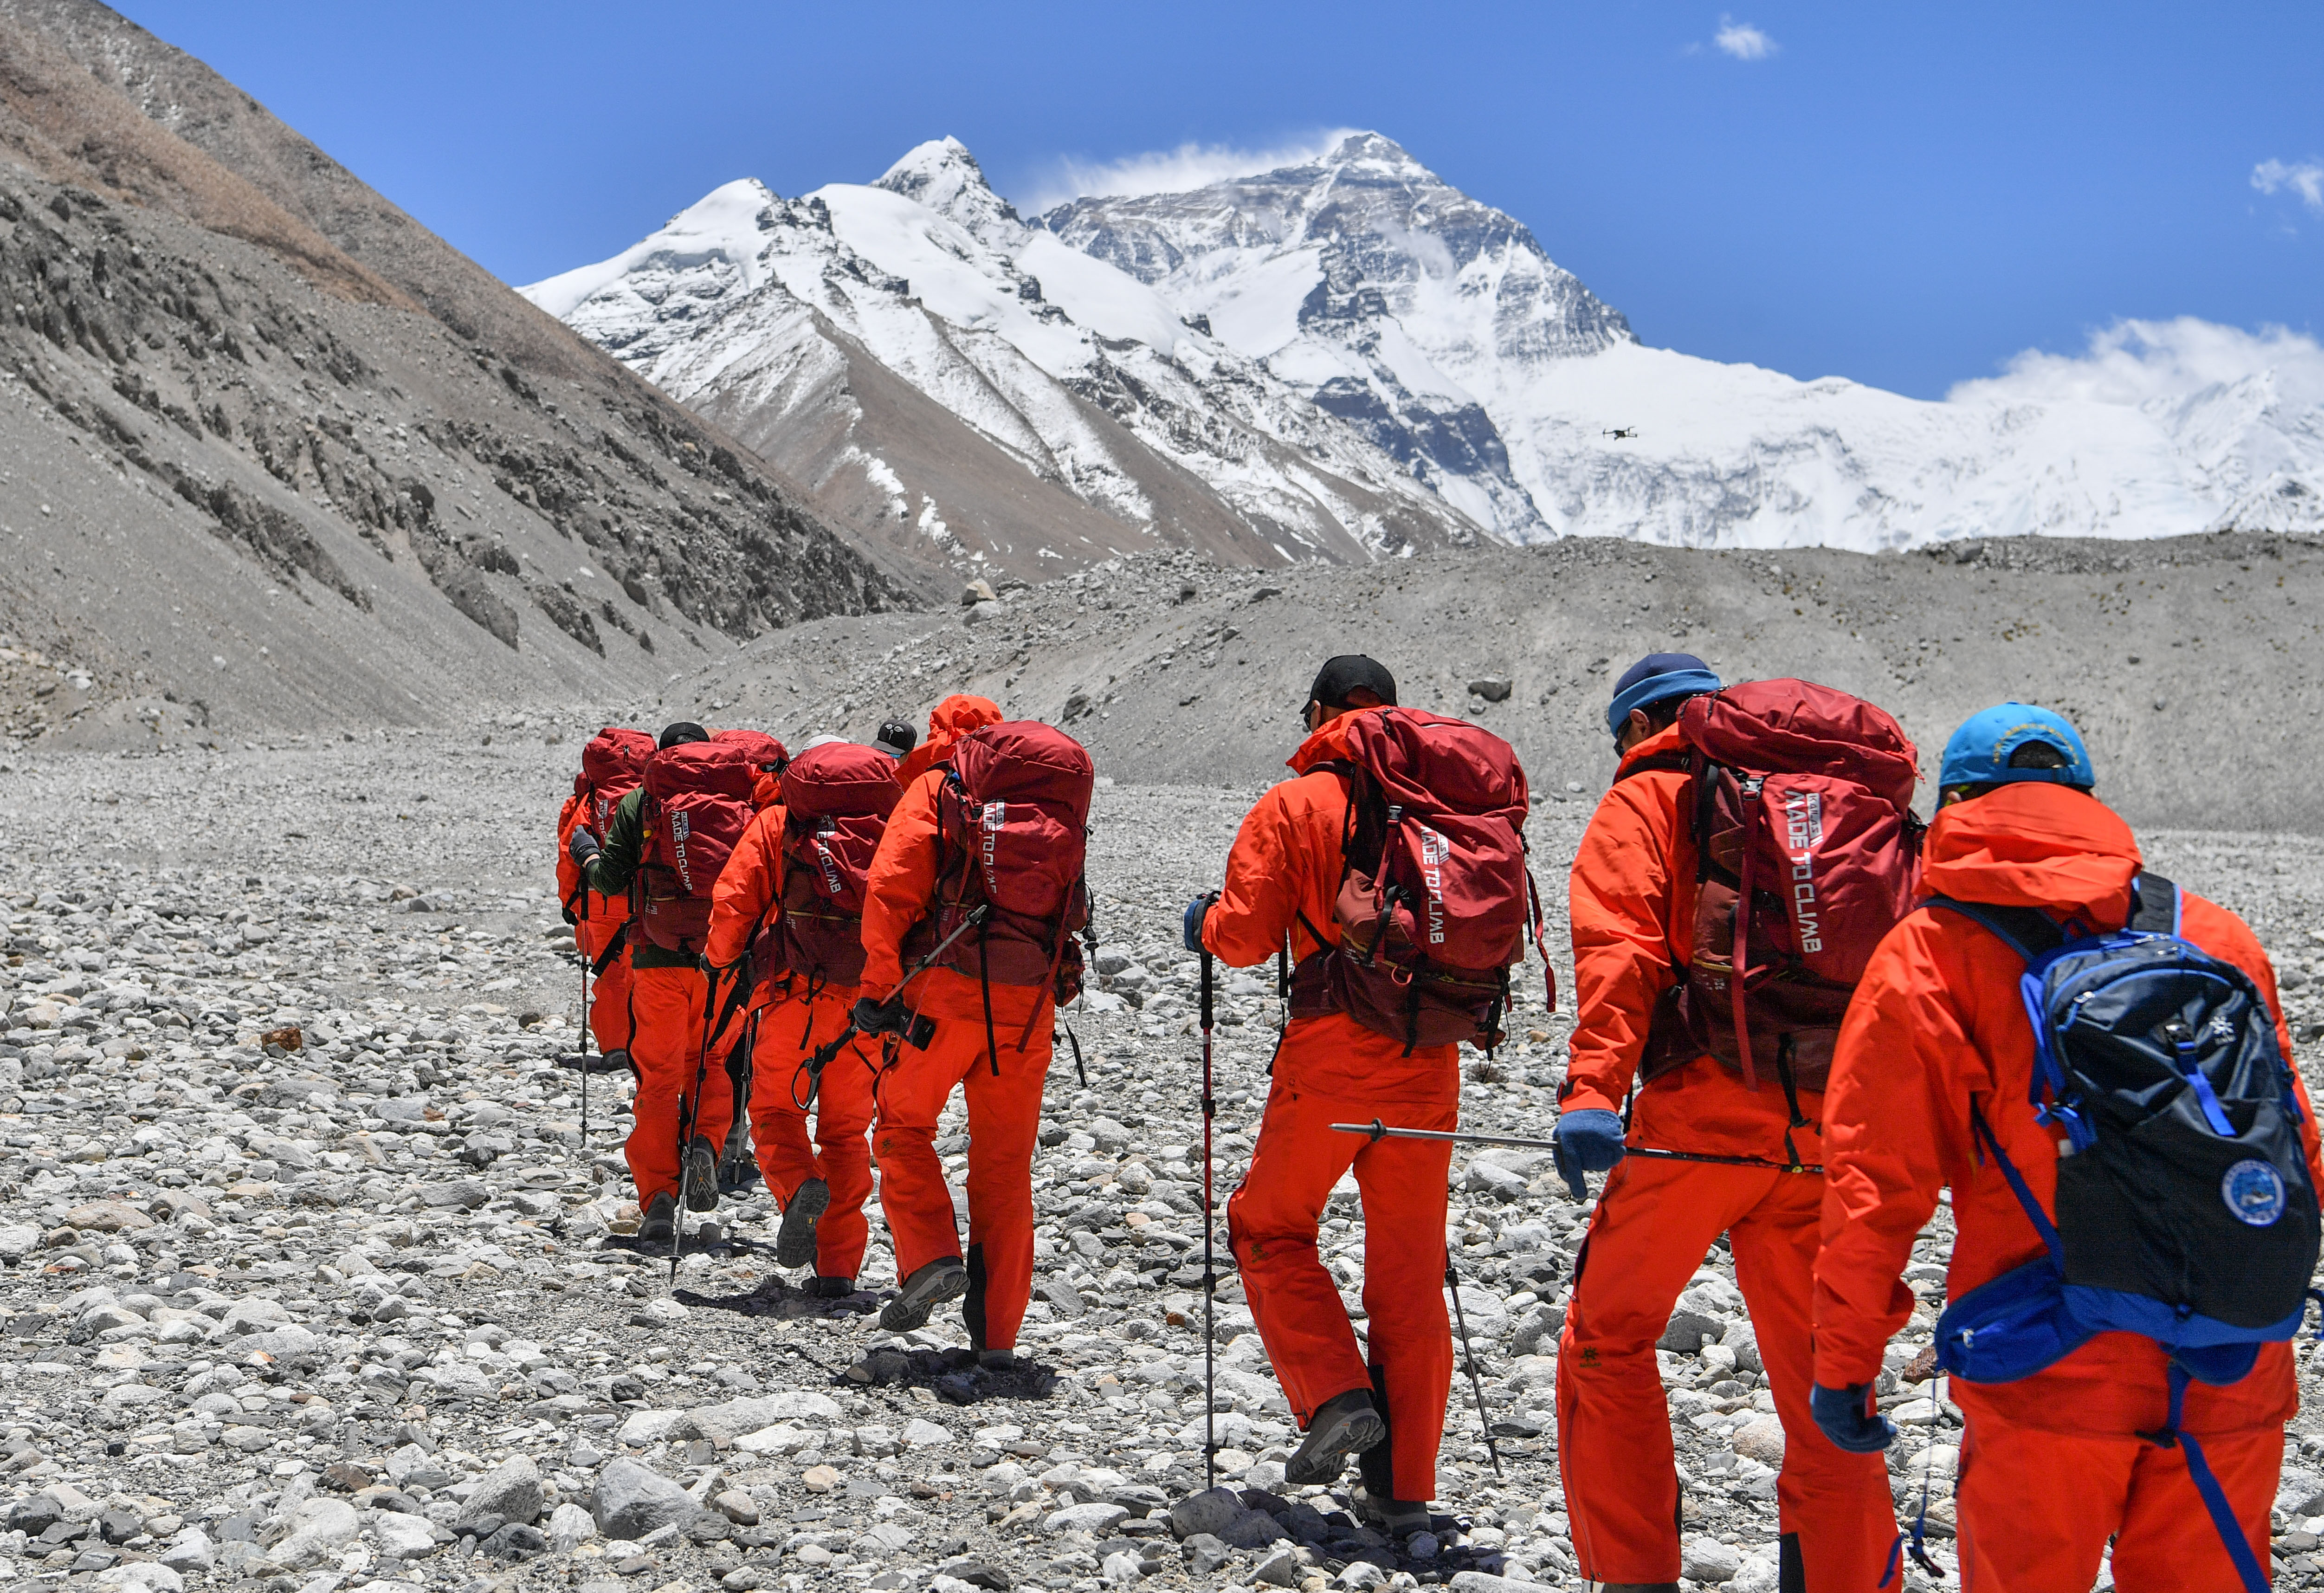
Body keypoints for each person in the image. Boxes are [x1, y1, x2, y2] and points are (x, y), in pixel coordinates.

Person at [1813, 705, 2324, 1592]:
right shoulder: (2213, 933)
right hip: (2230, 1356)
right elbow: (2296, 1152)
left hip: (2046, 1358)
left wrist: (1844, 1366)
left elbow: (1873, 1189)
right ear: (2087, 802)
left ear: (1955, 807)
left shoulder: (1927, 955)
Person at [1551, 653, 1896, 1593]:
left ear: (1634, 724)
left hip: (1696, 1119)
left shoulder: (1652, 794)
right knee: (1827, 1381)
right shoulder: (1836, 804)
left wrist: (1591, 1090)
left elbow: (1618, 950)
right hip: (1834, 1126)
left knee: (1606, 1337)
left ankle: (1633, 1577)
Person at [1188, 655, 1456, 1538]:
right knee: (1410, 1271)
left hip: (1334, 1044)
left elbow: (1242, 938)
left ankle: (1335, 1393)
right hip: (1428, 1054)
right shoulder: (1441, 804)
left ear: (1316, 713)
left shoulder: (1295, 803)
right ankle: (1404, 1487)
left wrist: (1202, 921)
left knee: (1268, 1224)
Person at [857, 708, 1087, 1361]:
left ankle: (930, 1256)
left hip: (944, 995)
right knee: (1006, 1170)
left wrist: (877, 990)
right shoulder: (1052, 802)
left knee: (902, 1127)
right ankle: (998, 1341)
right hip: (1028, 1004)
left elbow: (891, 889)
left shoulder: (939, 787)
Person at [705, 738, 900, 1294]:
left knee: (772, 1110)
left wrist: (720, 961)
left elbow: (736, 899)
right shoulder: (896, 824)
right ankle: (838, 1268)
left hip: (794, 996)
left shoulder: (780, 823)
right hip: (869, 1004)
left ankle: (797, 1189)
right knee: (845, 1131)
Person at [568, 723, 741, 1245]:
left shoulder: (640, 802)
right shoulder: (740, 799)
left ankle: (659, 1198)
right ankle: (708, 1145)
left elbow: (611, 882)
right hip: (723, 960)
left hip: (656, 958)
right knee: (710, 1061)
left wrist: (587, 854)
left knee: (660, 1078)